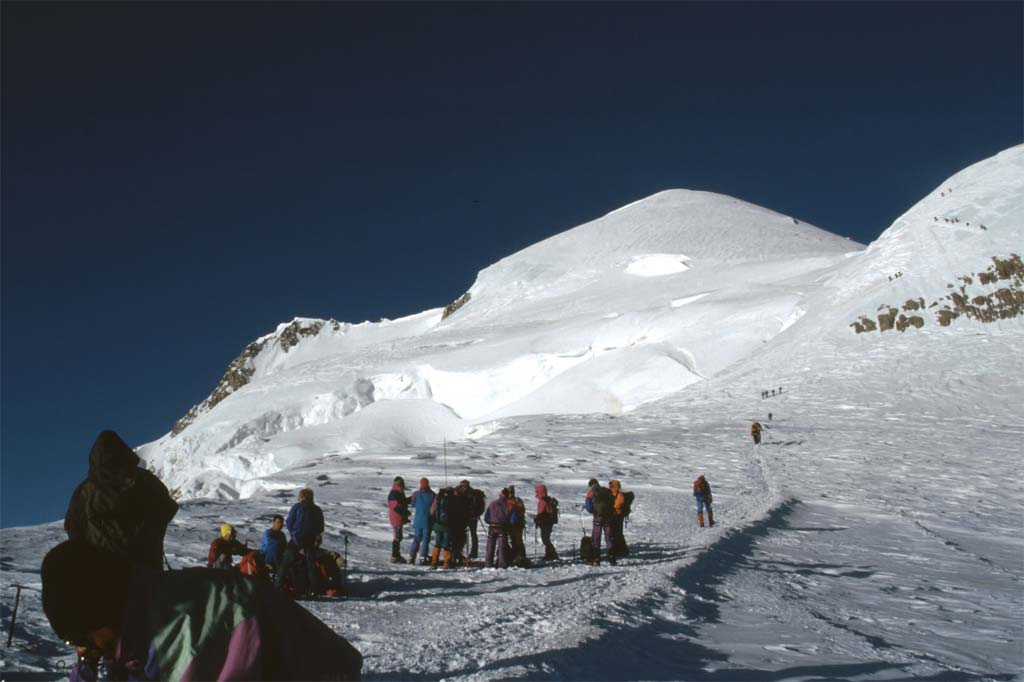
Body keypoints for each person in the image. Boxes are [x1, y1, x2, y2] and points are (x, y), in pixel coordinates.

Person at [41, 540, 362, 681]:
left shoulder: (187, 637)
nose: (85, 650)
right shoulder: (144, 608)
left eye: (80, 639)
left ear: (103, 613)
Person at [64, 430, 178, 573]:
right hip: (143, 566)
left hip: (108, 572)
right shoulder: (144, 480)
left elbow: (73, 528)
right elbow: (168, 508)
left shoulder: (85, 491)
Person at [275, 488, 325, 595]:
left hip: (296, 540)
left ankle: (277, 587)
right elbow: (321, 527)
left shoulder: (297, 507)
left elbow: (289, 523)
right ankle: (313, 590)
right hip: (310, 541)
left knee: (285, 563)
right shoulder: (317, 509)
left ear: (302, 496)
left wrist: (294, 532)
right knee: (311, 566)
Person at [584, 478, 616, 566]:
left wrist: (594, 511)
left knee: (596, 538)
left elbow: (589, 507)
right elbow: (613, 503)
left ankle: (596, 559)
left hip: (597, 519)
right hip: (608, 518)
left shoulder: (591, 493)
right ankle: (612, 557)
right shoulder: (607, 491)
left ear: (590, 485)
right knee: (609, 537)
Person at [483, 488, 515, 568]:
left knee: (490, 546)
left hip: (492, 527)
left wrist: (491, 521)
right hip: (502, 528)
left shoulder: (492, 503)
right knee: (502, 547)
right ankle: (502, 564)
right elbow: (513, 520)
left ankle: (488, 563)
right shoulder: (510, 505)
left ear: (500, 495)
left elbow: (486, 517)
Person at [409, 478, 435, 565]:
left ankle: (411, 557)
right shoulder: (432, 495)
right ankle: (423, 557)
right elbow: (434, 508)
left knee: (416, 538)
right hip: (427, 520)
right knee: (425, 539)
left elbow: (412, 504)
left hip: (417, 520)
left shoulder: (416, 494)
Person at [387, 476, 411, 563]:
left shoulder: (398, 492)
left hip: (398, 517)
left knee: (398, 537)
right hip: (396, 518)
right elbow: (396, 506)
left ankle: (396, 555)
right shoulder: (394, 493)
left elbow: (403, 502)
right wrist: (405, 512)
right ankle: (394, 556)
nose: (404, 485)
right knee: (397, 537)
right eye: (403, 483)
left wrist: (411, 499)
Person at [460, 479, 485, 559]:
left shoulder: (474, 494)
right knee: (464, 535)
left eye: (464, 485)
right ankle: (460, 551)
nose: (463, 487)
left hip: (470, 518)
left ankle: (472, 552)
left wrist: (475, 514)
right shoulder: (472, 494)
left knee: (472, 535)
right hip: (467, 518)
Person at [534, 484, 559, 560]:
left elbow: (541, 512)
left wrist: (537, 519)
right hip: (549, 521)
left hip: (545, 522)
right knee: (546, 538)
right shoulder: (548, 499)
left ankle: (552, 554)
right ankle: (550, 554)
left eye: (537, 491)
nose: (536, 493)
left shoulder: (542, 501)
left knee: (545, 539)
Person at [608, 479, 629, 558]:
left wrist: (611, 508)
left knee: (618, 533)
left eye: (612, 486)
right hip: (613, 516)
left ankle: (622, 550)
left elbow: (617, 506)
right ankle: (618, 549)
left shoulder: (620, 495)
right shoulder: (611, 494)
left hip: (618, 516)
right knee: (614, 533)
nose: (611, 487)